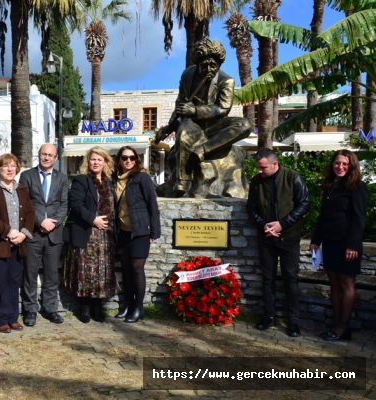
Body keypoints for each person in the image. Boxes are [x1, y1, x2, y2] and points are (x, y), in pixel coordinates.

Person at [154, 38, 251, 197]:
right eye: (204, 65)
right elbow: (180, 102)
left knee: (245, 125)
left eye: (213, 65)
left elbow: (223, 108)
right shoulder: (187, 75)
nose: (208, 69)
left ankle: (202, 151)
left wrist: (195, 110)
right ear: (198, 63)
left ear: (219, 64)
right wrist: (169, 127)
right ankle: (183, 180)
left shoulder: (226, 81)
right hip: (194, 124)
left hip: (216, 125)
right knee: (184, 135)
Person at [247, 148, 310, 338]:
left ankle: (293, 322)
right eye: (258, 167)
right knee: (268, 278)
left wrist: (283, 224)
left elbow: (305, 203)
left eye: (263, 167)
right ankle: (269, 316)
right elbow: (251, 207)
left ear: (275, 164)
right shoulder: (257, 182)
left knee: (290, 279)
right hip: (266, 237)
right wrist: (263, 224)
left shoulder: (292, 177)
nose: (259, 171)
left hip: (288, 237)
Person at [310, 150, 367, 342]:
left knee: (347, 284)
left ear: (351, 166)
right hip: (331, 243)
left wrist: (352, 245)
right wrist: (315, 240)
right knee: (334, 283)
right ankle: (337, 325)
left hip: (347, 244)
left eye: (344, 164)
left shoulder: (357, 187)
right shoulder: (330, 186)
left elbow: (359, 219)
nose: (340, 167)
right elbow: (323, 216)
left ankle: (343, 327)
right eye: (337, 163)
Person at [63, 146, 119, 323]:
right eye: (93, 159)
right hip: (87, 233)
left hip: (106, 236)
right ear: (88, 161)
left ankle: (98, 306)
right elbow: (76, 204)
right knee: (86, 272)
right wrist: (93, 219)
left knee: (102, 273)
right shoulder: (81, 180)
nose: (95, 162)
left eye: (99, 159)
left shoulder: (110, 183)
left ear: (105, 162)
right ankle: (85, 307)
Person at [0, 154, 35, 333]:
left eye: (13, 166)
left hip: (18, 244)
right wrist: (9, 232)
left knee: (13, 281)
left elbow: (29, 214)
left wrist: (23, 235)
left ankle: (12, 317)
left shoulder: (22, 189)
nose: (10, 169)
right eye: (6, 166)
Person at [19, 144, 69, 327]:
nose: (46, 158)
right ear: (39, 155)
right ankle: (30, 310)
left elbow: (64, 204)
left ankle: (50, 309)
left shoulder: (62, 178)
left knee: (51, 274)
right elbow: (25, 203)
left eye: (50, 155)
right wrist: (41, 221)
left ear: (56, 158)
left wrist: (52, 222)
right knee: (30, 274)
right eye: (43, 154)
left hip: (54, 234)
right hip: (33, 233)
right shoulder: (27, 176)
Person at [113, 146, 161, 323]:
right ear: (119, 159)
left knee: (136, 269)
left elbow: (152, 205)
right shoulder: (115, 179)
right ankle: (128, 303)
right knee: (125, 270)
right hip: (122, 231)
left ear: (136, 160)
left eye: (132, 158)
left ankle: (138, 307)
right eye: (124, 157)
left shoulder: (142, 178)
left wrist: (154, 231)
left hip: (140, 231)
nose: (128, 161)